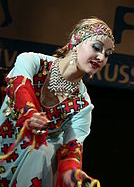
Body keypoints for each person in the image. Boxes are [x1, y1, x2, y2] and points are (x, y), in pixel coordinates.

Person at [0, 17, 115, 187]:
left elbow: (71, 149)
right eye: (96, 47)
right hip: (4, 143)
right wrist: (30, 115)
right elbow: (20, 88)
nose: (101, 57)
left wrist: (74, 174)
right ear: (76, 43)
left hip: (35, 164)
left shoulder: (83, 104)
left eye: (107, 54)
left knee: (43, 151)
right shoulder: (32, 62)